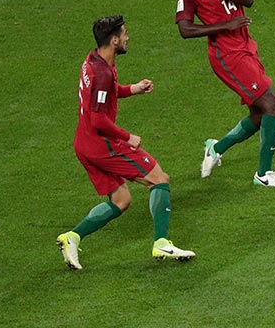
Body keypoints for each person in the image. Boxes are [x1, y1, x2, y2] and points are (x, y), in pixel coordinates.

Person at [56, 16, 195, 270]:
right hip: (102, 144)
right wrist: (126, 136)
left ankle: (72, 238)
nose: (128, 38)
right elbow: (98, 119)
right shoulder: (101, 74)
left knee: (121, 200)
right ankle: (161, 242)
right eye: (125, 34)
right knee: (159, 178)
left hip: (84, 143)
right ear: (114, 40)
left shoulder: (94, 60)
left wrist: (134, 88)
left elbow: (106, 93)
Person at [175, 0, 275, 187]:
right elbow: (185, 29)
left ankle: (216, 148)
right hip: (226, 56)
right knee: (272, 104)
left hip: (247, 46)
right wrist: (223, 26)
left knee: (259, 116)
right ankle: (263, 174)